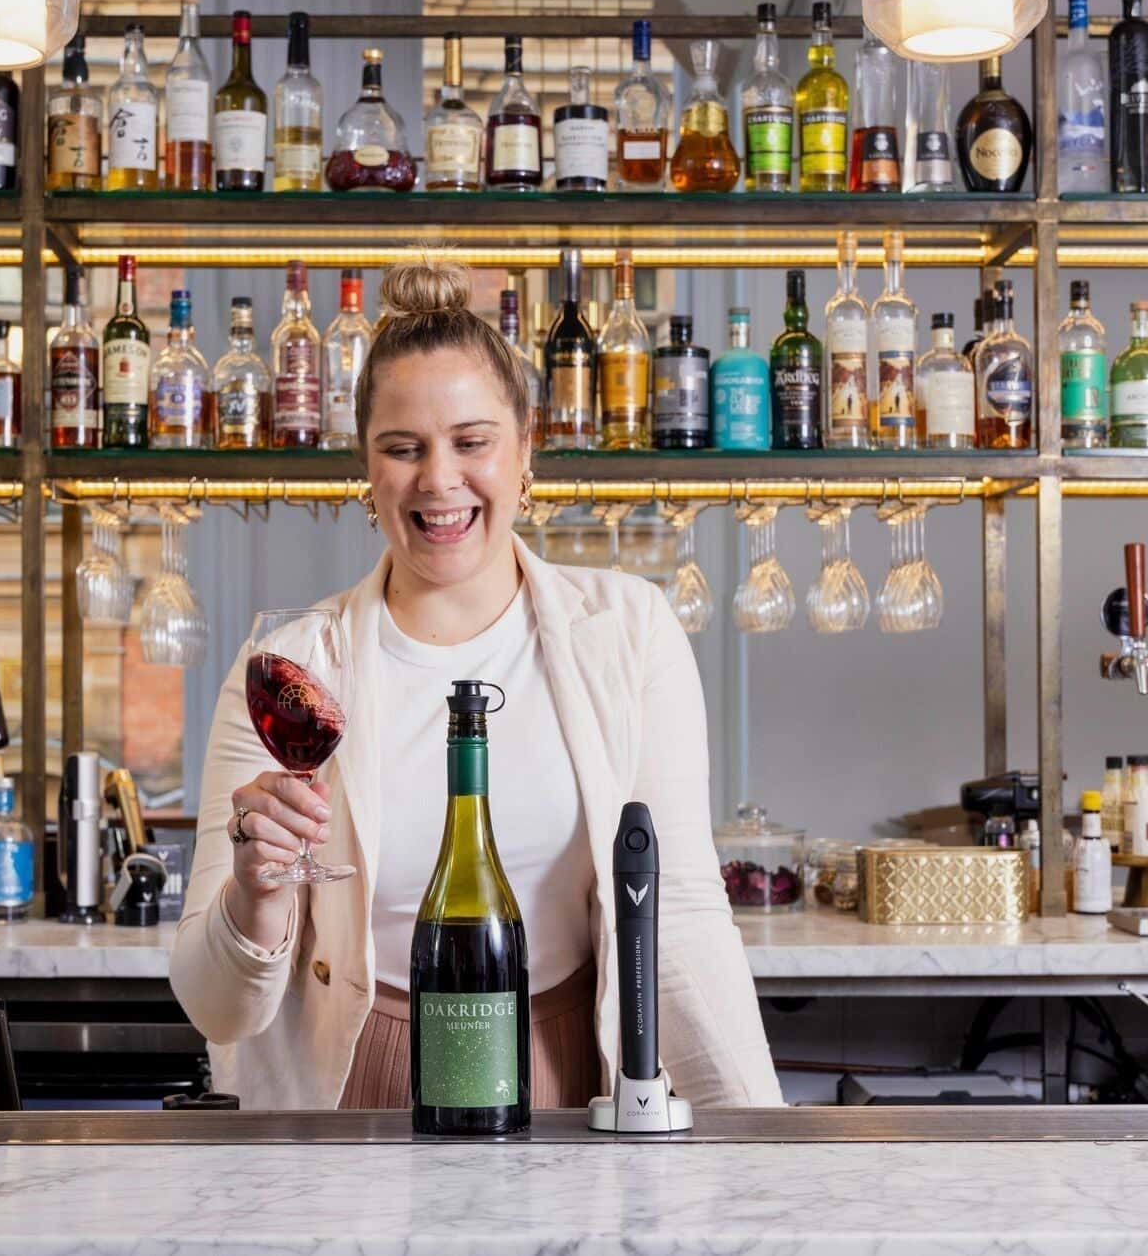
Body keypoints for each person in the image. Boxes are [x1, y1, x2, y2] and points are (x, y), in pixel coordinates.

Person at [171, 254, 779, 1111]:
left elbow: (676, 914)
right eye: (403, 448)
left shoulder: (629, 632)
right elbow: (214, 1009)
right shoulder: (290, 672)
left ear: (527, 448)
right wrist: (256, 894)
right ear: (367, 471)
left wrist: (755, 1143)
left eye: (472, 442)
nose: (439, 480)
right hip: (355, 1082)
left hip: (565, 1070)